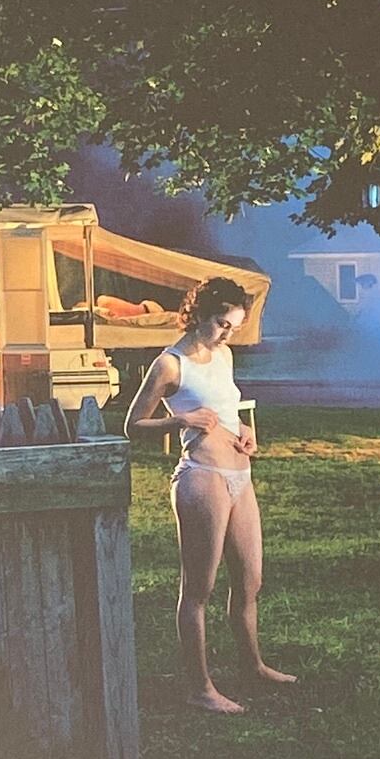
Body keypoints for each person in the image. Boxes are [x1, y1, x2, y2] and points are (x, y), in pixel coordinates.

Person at [125, 278, 295, 716]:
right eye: (221, 324)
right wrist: (182, 421)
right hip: (202, 477)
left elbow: (226, 407)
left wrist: (246, 431)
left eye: (233, 327)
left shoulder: (224, 355)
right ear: (199, 314)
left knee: (251, 580)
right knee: (199, 589)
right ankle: (199, 687)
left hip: (240, 474)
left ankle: (253, 666)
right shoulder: (170, 365)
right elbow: (132, 425)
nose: (226, 334)